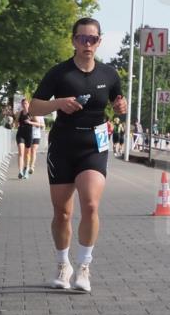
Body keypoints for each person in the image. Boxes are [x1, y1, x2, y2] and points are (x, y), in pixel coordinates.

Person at [30, 17, 127, 294]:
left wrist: (121, 105)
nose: (87, 44)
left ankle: (84, 266)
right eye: (82, 38)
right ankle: (63, 264)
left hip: (94, 145)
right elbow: (35, 108)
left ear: (99, 41)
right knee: (62, 212)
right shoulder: (59, 74)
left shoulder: (109, 74)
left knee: (91, 205)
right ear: (73, 40)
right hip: (63, 145)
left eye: (93, 39)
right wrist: (59, 103)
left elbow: (118, 103)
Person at [15, 98, 34, 179]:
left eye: (26, 103)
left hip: (29, 135)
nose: (24, 105)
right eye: (23, 104)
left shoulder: (32, 113)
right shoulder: (20, 113)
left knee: (27, 154)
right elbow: (16, 122)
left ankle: (26, 169)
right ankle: (20, 171)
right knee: (21, 153)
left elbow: (39, 124)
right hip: (20, 134)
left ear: (28, 104)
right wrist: (16, 124)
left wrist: (30, 122)